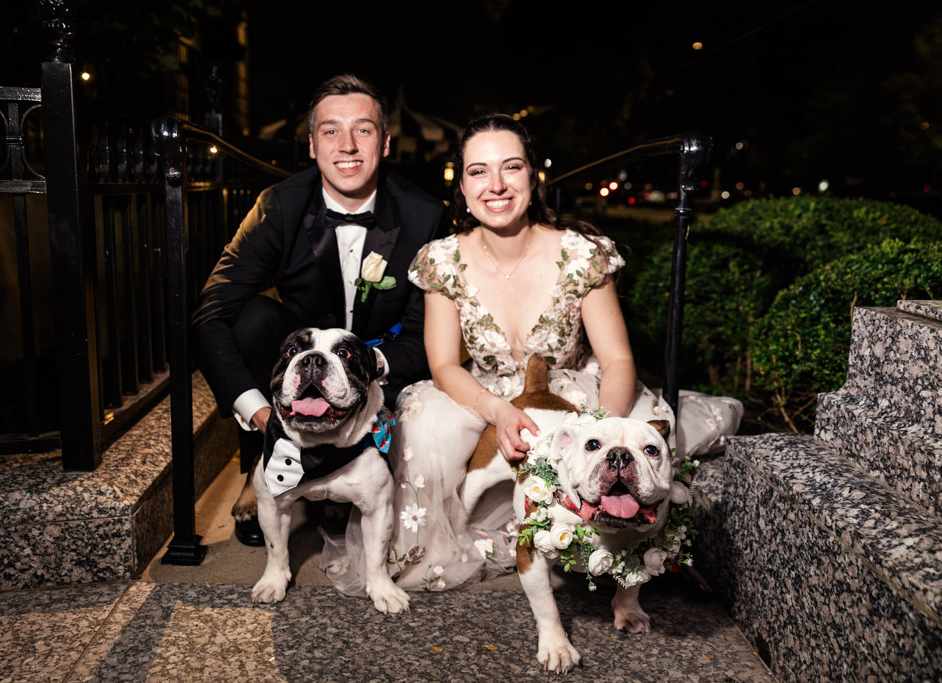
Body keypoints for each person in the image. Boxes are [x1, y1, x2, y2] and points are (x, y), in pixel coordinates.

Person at [320, 113, 742, 594]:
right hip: (484, 390)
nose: (496, 185)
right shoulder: (442, 260)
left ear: (533, 176)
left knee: (641, 427)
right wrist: (498, 411)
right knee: (421, 417)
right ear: (462, 185)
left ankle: (611, 544)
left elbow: (619, 361)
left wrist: (598, 431)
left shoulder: (582, 254)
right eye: (479, 171)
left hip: (570, 386)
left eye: (511, 167)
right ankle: (446, 540)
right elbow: (442, 365)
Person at [192, 74, 448, 546]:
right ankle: (260, 463)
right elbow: (211, 314)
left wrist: (373, 370)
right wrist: (259, 413)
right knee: (251, 320)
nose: (347, 145)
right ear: (312, 145)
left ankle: (353, 470)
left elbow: (426, 333)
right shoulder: (279, 207)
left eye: (363, 130)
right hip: (298, 367)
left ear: (386, 142)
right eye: (331, 130)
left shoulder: (424, 215)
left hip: (381, 365)